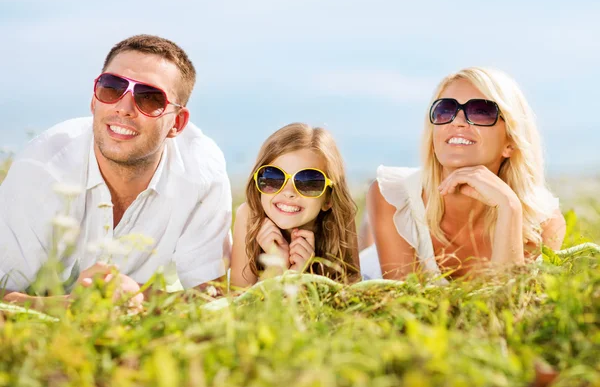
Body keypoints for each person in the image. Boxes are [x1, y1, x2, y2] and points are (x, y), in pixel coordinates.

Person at [0, 34, 232, 306]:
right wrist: (70, 306)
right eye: (111, 88)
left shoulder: (201, 174)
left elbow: (210, 298)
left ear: (177, 124)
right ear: (93, 100)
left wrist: (138, 298)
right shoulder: (42, 168)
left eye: (150, 98)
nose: (124, 108)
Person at [361, 67, 566, 281]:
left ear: (510, 142)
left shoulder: (544, 221)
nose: (457, 121)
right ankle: (368, 229)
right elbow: (405, 307)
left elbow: (511, 306)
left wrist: (509, 208)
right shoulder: (392, 197)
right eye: (445, 110)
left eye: (481, 111)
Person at [230, 123, 360, 288]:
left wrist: (301, 276)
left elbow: (351, 300)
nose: (289, 192)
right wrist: (275, 271)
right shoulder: (249, 216)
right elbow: (238, 304)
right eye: (274, 177)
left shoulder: (341, 219)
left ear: (329, 199)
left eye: (309, 182)